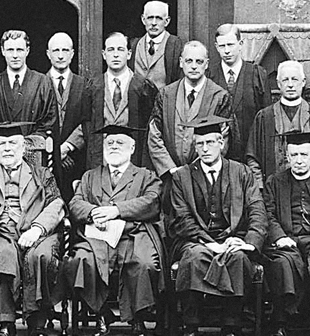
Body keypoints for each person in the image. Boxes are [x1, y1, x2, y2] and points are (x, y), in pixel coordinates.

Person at [0, 122, 65, 336]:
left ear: (23, 147)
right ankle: (6, 322)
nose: (7, 148)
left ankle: (37, 319)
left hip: (34, 231)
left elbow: (57, 204)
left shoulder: (41, 173)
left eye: (12, 143)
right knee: (4, 254)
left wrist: (37, 230)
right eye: (2, 144)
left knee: (42, 255)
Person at [61, 124, 164, 336]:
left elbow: (152, 201)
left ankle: (138, 318)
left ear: (132, 147)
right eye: (109, 143)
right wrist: (94, 212)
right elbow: (75, 203)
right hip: (97, 238)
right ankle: (101, 312)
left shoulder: (146, 176)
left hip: (133, 235)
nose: (114, 147)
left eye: (120, 143)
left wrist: (116, 210)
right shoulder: (90, 176)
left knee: (145, 263)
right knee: (80, 260)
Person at [170, 116, 267, 336]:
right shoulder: (182, 177)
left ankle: (231, 326)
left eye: (210, 142)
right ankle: (191, 326)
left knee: (238, 258)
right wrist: (210, 244)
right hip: (195, 240)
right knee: (194, 258)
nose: (204, 149)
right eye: (199, 144)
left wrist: (248, 242)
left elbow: (257, 211)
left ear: (221, 143)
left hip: (234, 237)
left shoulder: (242, 172)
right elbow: (182, 218)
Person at [148, 41, 233, 182]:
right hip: (170, 176)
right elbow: (154, 135)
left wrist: (195, 169)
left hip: (204, 176)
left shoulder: (219, 96)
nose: (194, 66)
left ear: (206, 64)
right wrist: (171, 169)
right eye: (189, 61)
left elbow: (223, 138)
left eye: (199, 62)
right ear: (181, 63)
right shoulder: (166, 95)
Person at [261, 131, 310, 336]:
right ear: (287, 157)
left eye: (304, 155)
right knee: (282, 264)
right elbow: (268, 214)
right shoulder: (275, 182)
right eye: (294, 156)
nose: (299, 161)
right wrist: (280, 237)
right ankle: (282, 321)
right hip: (285, 241)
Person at [89, 32, 158, 169]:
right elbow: (84, 125)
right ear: (104, 55)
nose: (115, 54)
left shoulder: (143, 86)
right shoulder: (93, 87)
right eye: (111, 50)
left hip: (133, 161)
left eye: (120, 49)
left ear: (129, 54)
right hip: (102, 160)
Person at [207, 23, 271, 162]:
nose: (227, 51)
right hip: (219, 155)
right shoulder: (209, 76)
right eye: (222, 46)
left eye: (231, 45)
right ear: (216, 47)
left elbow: (266, 118)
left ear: (240, 44)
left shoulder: (257, 74)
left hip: (250, 153)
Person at [247, 60, 310, 189]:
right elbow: (252, 157)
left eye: (295, 79)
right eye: (285, 80)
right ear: (278, 83)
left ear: (303, 82)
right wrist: (261, 187)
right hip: (273, 192)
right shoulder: (264, 117)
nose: (290, 85)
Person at [45, 32, 92, 199]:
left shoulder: (85, 85)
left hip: (75, 160)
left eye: (65, 50)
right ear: (48, 54)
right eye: (55, 50)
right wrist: (54, 153)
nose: (60, 55)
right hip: (46, 160)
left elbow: (88, 121)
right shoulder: (39, 84)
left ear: (72, 54)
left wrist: (67, 147)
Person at [0, 30, 57, 137]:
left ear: (27, 51)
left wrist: (25, 144)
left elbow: (49, 123)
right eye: (10, 50)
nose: (15, 55)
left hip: (34, 150)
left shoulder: (43, 82)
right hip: (2, 150)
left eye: (19, 50)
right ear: (2, 51)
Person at [127, 0, 184, 89]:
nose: (154, 23)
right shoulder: (133, 45)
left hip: (164, 101)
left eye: (159, 18)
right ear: (143, 19)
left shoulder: (176, 46)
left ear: (167, 21)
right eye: (150, 18)